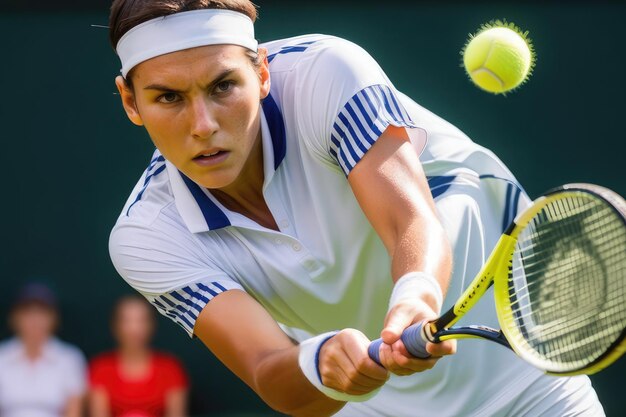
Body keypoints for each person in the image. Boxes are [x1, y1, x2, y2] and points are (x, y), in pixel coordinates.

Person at [107, 1, 605, 416]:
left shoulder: (327, 72)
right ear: (130, 102)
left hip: (532, 386)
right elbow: (266, 369)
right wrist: (320, 366)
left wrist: (416, 295)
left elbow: (409, 219)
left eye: (223, 87)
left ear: (261, 72)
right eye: (168, 97)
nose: (203, 125)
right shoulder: (146, 234)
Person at [89, 295, 189, 417]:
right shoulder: (101, 368)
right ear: (115, 326)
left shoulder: (170, 368)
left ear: (152, 325)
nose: (134, 329)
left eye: (141, 320)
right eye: (127, 321)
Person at [0, 283, 86, 417]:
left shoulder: (69, 358)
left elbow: (73, 411)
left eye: (41, 313)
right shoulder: (2, 356)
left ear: (54, 319)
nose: (35, 320)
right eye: (27, 313)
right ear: (14, 318)